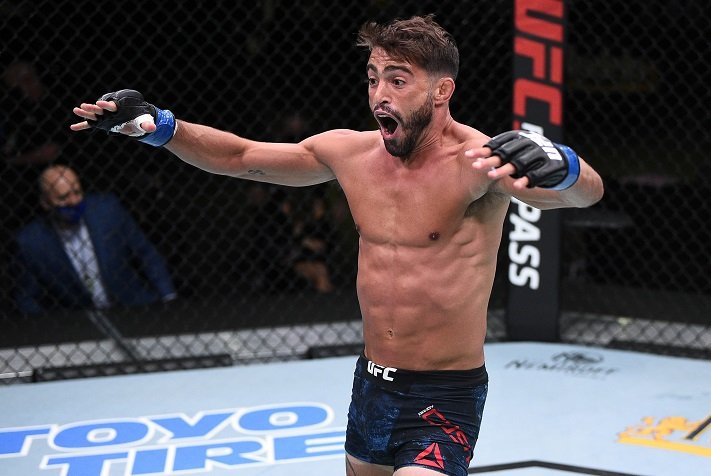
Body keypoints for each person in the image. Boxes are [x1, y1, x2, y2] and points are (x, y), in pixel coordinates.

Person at [70, 15, 603, 476]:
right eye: (373, 78)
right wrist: (158, 126)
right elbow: (241, 157)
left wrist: (565, 167)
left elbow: (581, 195)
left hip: (446, 391)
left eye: (398, 80)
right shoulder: (350, 154)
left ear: (441, 91)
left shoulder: (478, 161)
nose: (379, 94)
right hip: (372, 383)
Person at [12, 165, 177, 315]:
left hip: (134, 306)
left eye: (77, 192)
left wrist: (168, 297)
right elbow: (27, 296)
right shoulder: (31, 241)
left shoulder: (107, 210)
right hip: (79, 320)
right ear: (46, 202)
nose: (73, 201)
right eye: (63, 197)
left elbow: (146, 254)